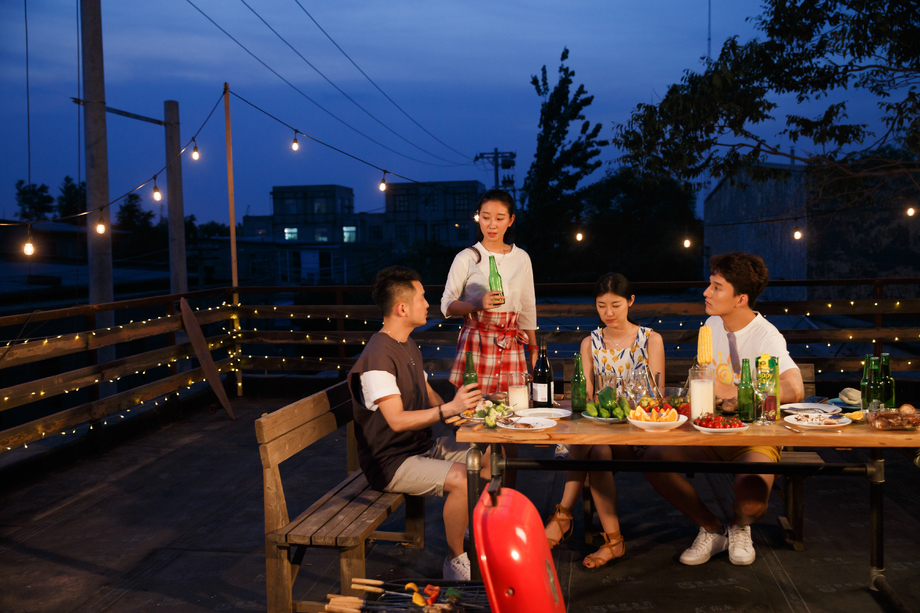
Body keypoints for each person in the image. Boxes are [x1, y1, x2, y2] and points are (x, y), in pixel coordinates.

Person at [644, 252, 805, 566]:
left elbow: (795, 388)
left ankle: (740, 525)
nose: (706, 292)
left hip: (753, 435)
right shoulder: (712, 324)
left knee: (752, 502)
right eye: (710, 284)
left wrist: (737, 391)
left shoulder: (766, 336)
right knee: (654, 458)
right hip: (709, 429)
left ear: (740, 298)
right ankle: (711, 528)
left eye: (717, 287)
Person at [348, 266, 489, 580]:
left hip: (420, 447)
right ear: (402, 308)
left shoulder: (405, 343)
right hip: (390, 462)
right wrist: (449, 409)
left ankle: (467, 530)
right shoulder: (378, 358)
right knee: (463, 478)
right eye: (423, 298)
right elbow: (396, 421)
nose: (428, 304)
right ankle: (455, 560)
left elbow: (425, 391)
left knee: (487, 455)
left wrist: (459, 419)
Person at [544, 273, 665, 569]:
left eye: (616, 305)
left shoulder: (651, 339)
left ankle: (562, 517)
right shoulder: (590, 342)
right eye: (601, 306)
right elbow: (585, 395)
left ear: (630, 302)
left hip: (635, 433)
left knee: (593, 445)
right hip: (598, 432)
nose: (608, 313)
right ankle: (614, 541)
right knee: (597, 448)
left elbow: (656, 396)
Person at [441, 189, 538, 395]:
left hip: (512, 342)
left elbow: (528, 308)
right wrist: (477, 304)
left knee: (514, 408)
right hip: (477, 342)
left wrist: (534, 349)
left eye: (499, 218)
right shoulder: (466, 257)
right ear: (478, 218)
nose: (492, 224)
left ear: (510, 220)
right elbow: (446, 304)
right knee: (473, 411)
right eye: (485, 217)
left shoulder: (522, 258)